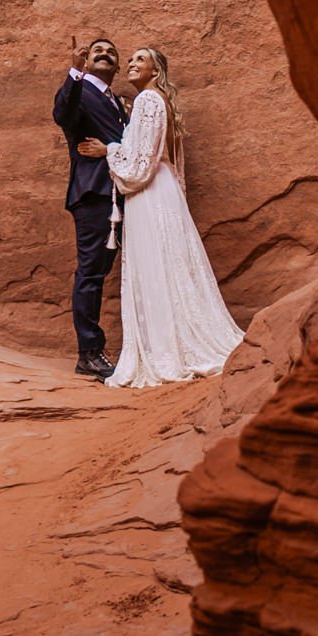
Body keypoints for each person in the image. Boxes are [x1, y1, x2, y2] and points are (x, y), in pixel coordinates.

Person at [80, 45, 242, 387]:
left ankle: (167, 351)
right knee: (169, 263)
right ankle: (174, 343)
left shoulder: (147, 101)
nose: (132, 64)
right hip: (162, 187)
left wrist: (106, 149)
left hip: (149, 191)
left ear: (156, 70)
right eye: (132, 60)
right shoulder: (157, 101)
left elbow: (140, 163)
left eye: (141, 59)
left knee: (156, 265)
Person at [51, 37, 126, 377]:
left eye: (111, 52)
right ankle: (89, 352)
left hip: (121, 194)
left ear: (118, 66)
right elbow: (62, 114)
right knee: (91, 273)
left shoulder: (118, 103)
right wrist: (74, 73)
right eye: (98, 50)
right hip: (93, 195)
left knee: (103, 271)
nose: (104, 54)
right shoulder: (79, 90)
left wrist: (111, 147)